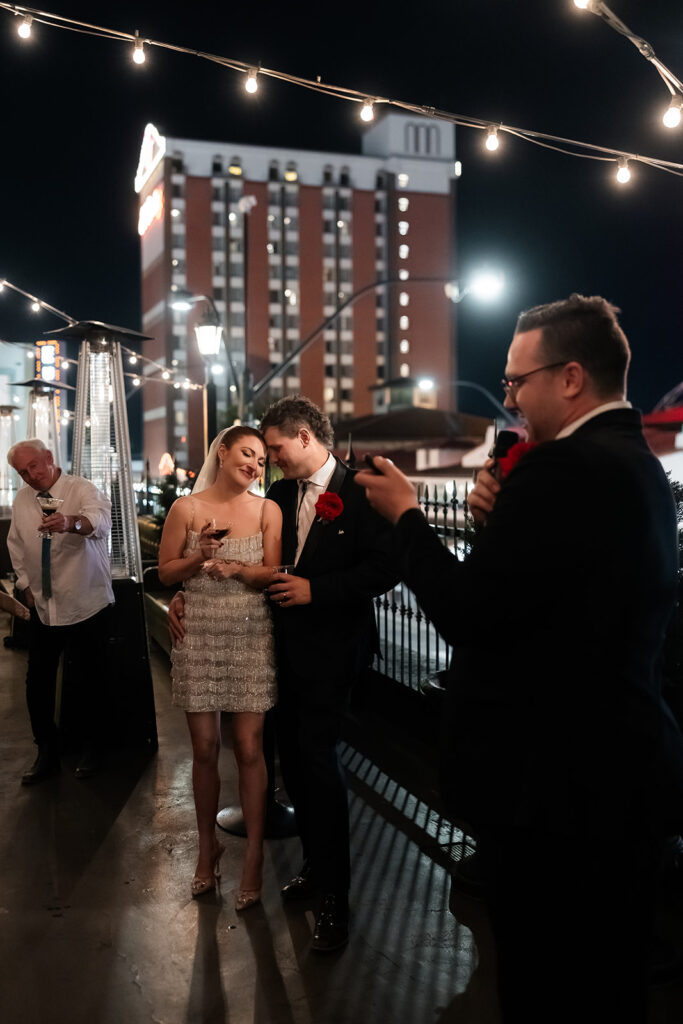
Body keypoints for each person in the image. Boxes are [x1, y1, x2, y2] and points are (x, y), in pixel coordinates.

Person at [356, 295, 683, 1022]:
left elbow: (469, 614)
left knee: (546, 986)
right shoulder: (632, 464)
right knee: (607, 982)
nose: (508, 397)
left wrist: (407, 516)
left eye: (514, 381)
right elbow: (547, 601)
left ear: (569, 378)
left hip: (555, 795)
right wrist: (493, 527)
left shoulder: (563, 469)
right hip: (616, 781)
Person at [159, 426, 282, 911]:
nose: (255, 465)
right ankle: (206, 849)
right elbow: (166, 571)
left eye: (262, 461)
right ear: (222, 451)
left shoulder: (266, 509)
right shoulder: (186, 509)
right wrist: (198, 558)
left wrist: (235, 568)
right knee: (205, 748)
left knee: (249, 747)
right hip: (198, 637)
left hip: (251, 635)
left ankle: (253, 855)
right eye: (247, 454)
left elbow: (273, 572)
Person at [7, 438, 114, 783]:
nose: (30, 476)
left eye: (34, 466)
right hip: (44, 605)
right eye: (22, 472)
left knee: (91, 680)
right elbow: (16, 546)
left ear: (49, 459)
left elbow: (99, 523)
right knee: (36, 682)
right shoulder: (22, 499)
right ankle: (46, 752)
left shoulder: (81, 489)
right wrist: (24, 586)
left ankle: (94, 748)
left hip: (85, 601)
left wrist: (71, 523)